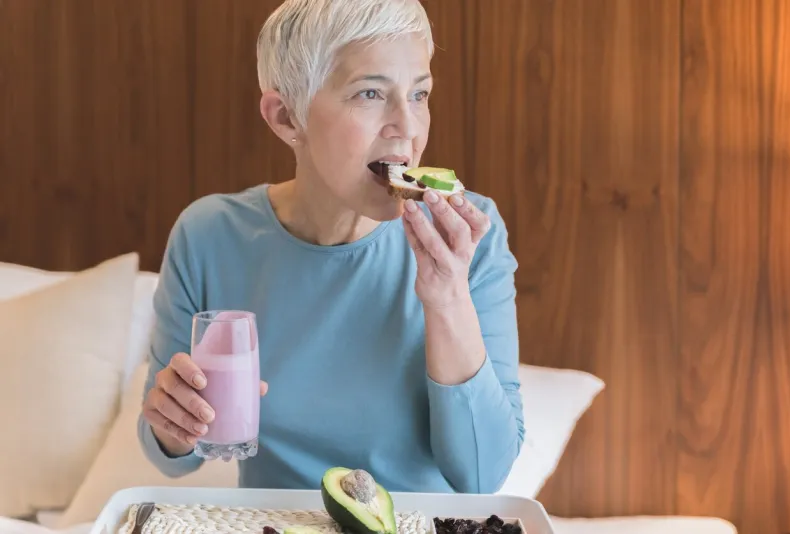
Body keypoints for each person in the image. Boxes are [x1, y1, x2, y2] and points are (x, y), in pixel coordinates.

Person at [138, 0, 524, 495]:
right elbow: (170, 459)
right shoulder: (210, 236)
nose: (408, 127)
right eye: (370, 93)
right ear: (286, 117)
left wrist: (448, 300)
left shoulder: (468, 237)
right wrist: (175, 423)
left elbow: (482, 476)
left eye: (420, 94)